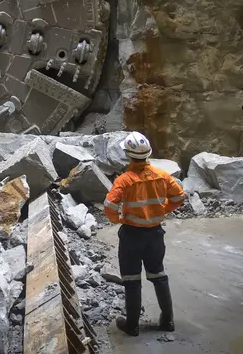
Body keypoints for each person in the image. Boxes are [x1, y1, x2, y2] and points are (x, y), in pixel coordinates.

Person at [103, 131, 185, 336]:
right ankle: (168, 321)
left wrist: (118, 219)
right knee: (159, 275)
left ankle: (132, 325)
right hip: (155, 234)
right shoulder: (162, 176)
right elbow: (179, 197)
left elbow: (109, 205)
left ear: (127, 154)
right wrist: (162, 209)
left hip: (131, 235)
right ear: (148, 154)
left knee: (131, 280)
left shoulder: (124, 180)